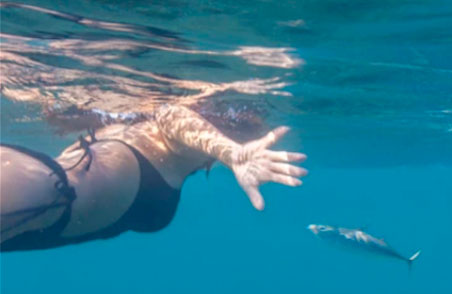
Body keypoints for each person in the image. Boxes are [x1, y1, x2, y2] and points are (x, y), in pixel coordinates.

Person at [1, 104, 306, 251]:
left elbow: (172, 116)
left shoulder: (166, 147)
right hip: (43, 198)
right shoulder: (172, 146)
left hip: (36, 206)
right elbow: (171, 114)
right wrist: (230, 152)